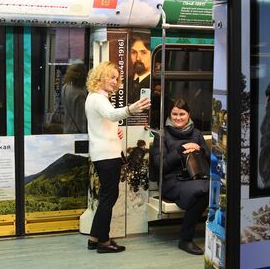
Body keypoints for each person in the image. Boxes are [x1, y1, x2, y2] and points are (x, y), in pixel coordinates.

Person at [85, 61, 151, 253]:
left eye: (117, 78)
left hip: (104, 154)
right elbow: (112, 114)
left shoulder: (97, 97)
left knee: (107, 196)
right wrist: (132, 109)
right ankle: (103, 242)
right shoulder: (98, 98)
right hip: (107, 156)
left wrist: (115, 130)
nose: (115, 81)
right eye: (111, 77)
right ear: (101, 76)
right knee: (109, 197)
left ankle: (94, 237)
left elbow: (106, 121)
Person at [150, 99, 210, 255]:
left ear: (188, 115)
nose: (178, 118)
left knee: (207, 189)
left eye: (182, 114)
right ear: (169, 115)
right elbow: (160, 166)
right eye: (174, 114)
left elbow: (209, 158)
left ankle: (190, 237)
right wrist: (180, 151)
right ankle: (185, 239)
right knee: (202, 191)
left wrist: (200, 150)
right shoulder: (161, 135)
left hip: (195, 177)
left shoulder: (196, 134)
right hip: (171, 180)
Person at [61, 61, 88, 133]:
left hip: (67, 129)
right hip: (77, 132)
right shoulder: (80, 93)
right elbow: (81, 118)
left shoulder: (65, 87)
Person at [127, 32, 151, 104]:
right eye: (134, 52)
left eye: (143, 52)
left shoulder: (156, 83)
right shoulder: (123, 83)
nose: (138, 58)